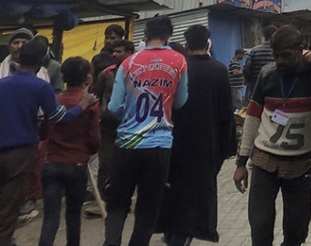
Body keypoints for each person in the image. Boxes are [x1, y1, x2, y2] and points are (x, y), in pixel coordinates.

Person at [0, 37, 95, 246]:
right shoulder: (40, 87)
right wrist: (83, 104)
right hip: (21, 154)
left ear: (18, 61)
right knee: (8, 213)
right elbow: (60, 117)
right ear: (42, 62)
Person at [234, 25, 311, 246]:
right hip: (265, 160)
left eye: (286, 55)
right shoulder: (267, 75)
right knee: (260, 223)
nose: (280, 61)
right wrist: (241, 162)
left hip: (300, 163)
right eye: (276, 56)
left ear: (300, 50)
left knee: (297, 229)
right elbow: (253, 118)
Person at [104, 16, 189, 246]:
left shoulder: (128, 63)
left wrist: (129, 114)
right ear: (169, 37)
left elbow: (113, 107)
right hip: (160, 145)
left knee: (118, 203)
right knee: (148, 206)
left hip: (127, 145)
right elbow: (181, 101)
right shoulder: (179, 61)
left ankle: (111, 242)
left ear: (145, 35)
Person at [157, 25, 236, 246]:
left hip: (174, 144)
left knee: (174, 198)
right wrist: (225, 150)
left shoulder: (176, 69)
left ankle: (172, 236)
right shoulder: (219, 70)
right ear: (208, 44)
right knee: (196, 203)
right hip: (205, 147)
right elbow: (225, 114)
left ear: (187, 45)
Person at [39, 57, 100, 246]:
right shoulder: (90, 103)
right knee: (73, 216)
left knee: (50, 217)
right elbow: (95, 140)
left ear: (64, 76)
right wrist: (87, 151)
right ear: (87, 77)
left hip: (51, 163)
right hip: (77, 164)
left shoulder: (55, 101)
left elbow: (42, 132)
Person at [91, 39, 133, 210]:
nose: (115, 55)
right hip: (108, 126)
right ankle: (103, 199)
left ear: (130, 52)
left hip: (130, 126)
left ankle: (123, 199)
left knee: (126, 165)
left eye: (119, 51)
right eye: (113, 52)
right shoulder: (106, 74)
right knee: (106, 163)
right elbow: (96, 95)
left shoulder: (137, 73)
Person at [243, 25, 277, 98]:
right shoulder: (278, 52)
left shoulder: (254, 51)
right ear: (275, 36)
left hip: (255, 91)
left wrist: (250, 83)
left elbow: (246, 70)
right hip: (274, 92)